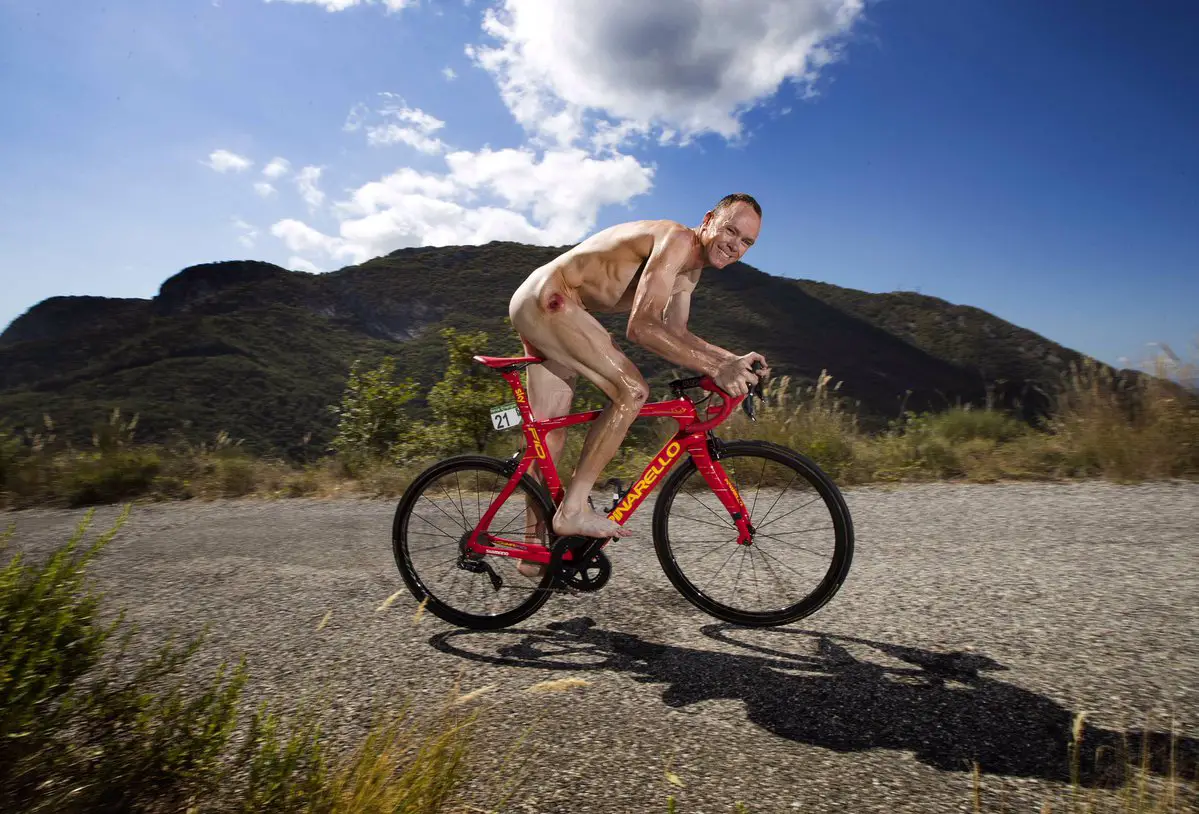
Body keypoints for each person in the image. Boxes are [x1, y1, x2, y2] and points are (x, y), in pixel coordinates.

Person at [508, 193, 770, 576]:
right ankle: (573, 510)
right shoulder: (677, 240)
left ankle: (533, 551)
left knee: (547, 437)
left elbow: (676, 333)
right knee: (631, 392)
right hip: (554, 299)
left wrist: (729, 360)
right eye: (730, 230)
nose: (735, 245)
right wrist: (716, 370)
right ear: (708, 219)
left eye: (746, 242)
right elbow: (642, 327)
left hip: (540, 299)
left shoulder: (689, 272)